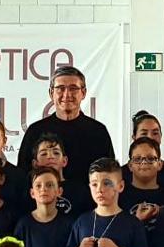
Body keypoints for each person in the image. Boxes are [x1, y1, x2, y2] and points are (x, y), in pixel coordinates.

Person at [16, 65, 116, 204]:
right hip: (42, 211)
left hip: (86, 209)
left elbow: (109, 174)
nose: (67, 94)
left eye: (73, 88)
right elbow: (23, 174)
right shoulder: (35, 131)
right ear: (51, 93)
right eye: (60, 88)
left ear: (84, 93)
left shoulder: (98, 131)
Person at [122, 110, 164, 188]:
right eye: (144, 133)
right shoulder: (120, 176)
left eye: (155, 133)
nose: (150, 137)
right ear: (134, 137)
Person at [32, 134, 75, 215]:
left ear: (64, 161)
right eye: (44, 154)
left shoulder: (79, 191)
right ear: (35, 163)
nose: (50, 157)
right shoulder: (31, 190)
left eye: (56, 153)